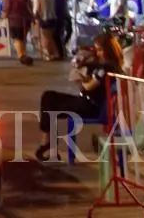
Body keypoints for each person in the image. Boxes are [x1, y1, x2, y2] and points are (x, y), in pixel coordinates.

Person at [35, 33, 123, 161]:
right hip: (91, 103)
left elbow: (89, 87)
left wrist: (80, 79)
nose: (98, 53)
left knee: (49, 101)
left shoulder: (106, 67)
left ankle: (48, 142)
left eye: (100, 50)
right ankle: (49, 143)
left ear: (108, 50)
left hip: (91, 106)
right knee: (49, 98)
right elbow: (96, 84)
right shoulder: (113, 66)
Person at [4, 0, 34, 65]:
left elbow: (7, 9)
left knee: (17, 38)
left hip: (14, 21)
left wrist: (4, 17)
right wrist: (32, 18)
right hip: (25, 21)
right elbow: (30, 9)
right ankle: (24, 54)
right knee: (23, 37)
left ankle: (21, 55)